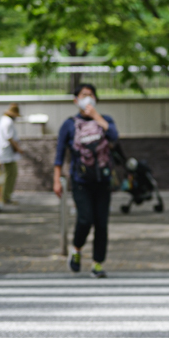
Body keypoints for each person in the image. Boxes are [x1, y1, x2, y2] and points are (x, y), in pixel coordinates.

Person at [54, 83, 118, 279]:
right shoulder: (69, 124)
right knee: (85, 219)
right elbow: (59, 154)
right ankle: (76, 249)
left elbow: (115, 137)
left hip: (102, 180)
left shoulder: (105, 120)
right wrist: (57, 180)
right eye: (83, 95)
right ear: (76, 100)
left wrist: (96, 117)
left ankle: (97, 263)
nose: (87, 98)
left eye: (91, 95)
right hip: (80, 180)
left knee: (101, 223)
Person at [0, 103, 24, 205]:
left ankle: (6, 196)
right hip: (7, 153)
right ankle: (6, 197)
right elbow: (9, 137)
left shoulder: (3, 120)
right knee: (11, 174)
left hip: (4, 152)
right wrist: (18, 148)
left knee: (10, 174)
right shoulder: (8, 122)